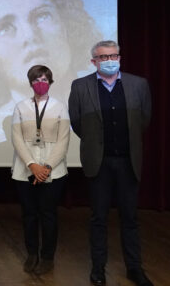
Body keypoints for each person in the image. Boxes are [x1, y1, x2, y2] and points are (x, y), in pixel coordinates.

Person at [0, 0, 101, 162]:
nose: (29, 36)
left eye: (42, 16)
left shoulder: (106, 107)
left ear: (68, 26)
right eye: (5, 28)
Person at [68, 40, 153, 286]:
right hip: (99, 162)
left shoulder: (139, 84)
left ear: (119, 58)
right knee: (98, 219)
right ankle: (98, 270)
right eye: (103, 57)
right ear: (93, 61)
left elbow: (143, 120)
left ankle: (134, 268)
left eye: (113, 56)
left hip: (128, 162)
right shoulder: (80, 86)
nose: (109, 61)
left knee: (130, 218)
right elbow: (77, 123)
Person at [10, 65, 70, 275]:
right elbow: (17, 138)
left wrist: (46, 167)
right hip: (24, 169)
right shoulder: (20, 107)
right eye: (36, 80)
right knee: (29, 214)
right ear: (30, 83)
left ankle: (47, 257)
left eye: (44, 79)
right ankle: (32, 254)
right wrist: (32, 165)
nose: (40, 83)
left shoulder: (60, 107)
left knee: (48, 214)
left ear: (50, 82)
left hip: (54, 170)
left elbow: (63, 141)